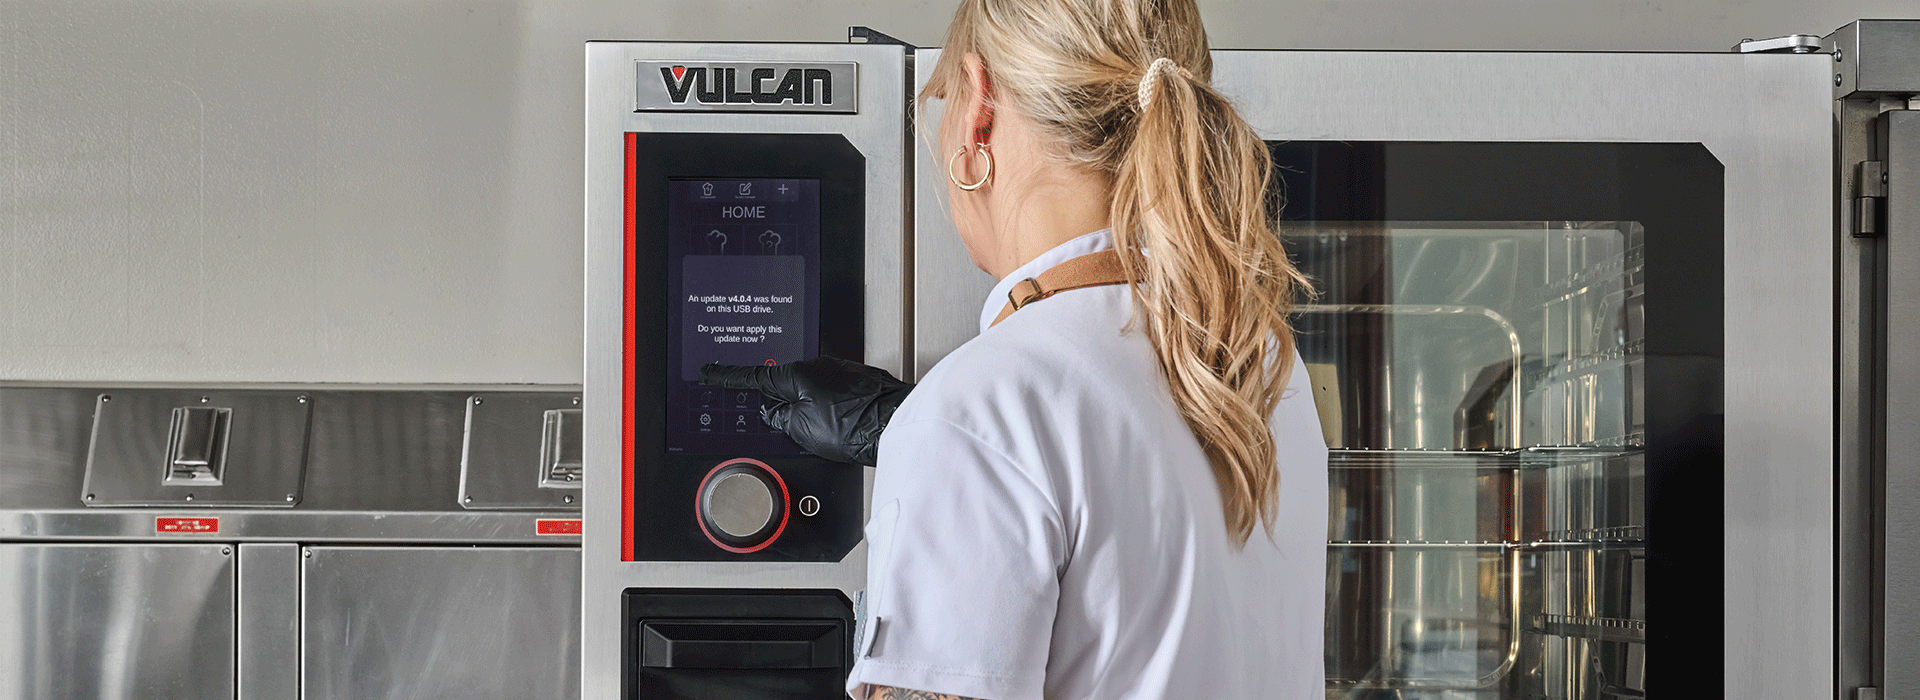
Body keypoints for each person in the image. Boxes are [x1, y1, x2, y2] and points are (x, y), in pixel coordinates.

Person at [703, 1, 1329, 698]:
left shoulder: (981, 411)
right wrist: (920, 431)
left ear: (979, 109)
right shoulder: (1263, 368)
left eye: (943, 100)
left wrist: (948, 438)